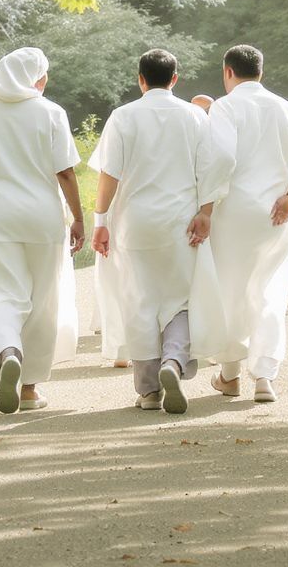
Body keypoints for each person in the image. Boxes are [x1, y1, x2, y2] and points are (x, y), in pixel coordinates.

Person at [90, 49, 229, 414]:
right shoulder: (194, 116)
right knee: (180, 300)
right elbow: (211, 169)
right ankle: (174, 362)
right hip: (180, 221)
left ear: (140, 79)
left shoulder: (122, 117)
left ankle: (149, 391)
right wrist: (206, 212)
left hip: (134, 223)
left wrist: (100, 222)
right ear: (175, 79)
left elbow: (109, 175)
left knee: (139, 301)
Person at [0, 48, 84, 414]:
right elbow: (65, 172)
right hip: (43, 218)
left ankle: (8, 352)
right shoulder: (51, 113)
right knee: (43, 299)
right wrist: (78, 217)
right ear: (37, 78)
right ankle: (29, 389)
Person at [208, 44, 288, 403]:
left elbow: (220, 159)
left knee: (232, 290)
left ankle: (229, 374)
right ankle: (265, 377)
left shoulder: (225, 107)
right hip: (276, 215)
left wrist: (205, 208)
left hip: (233, 214)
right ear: (261, 72)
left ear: (228, 72)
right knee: (271, 289)